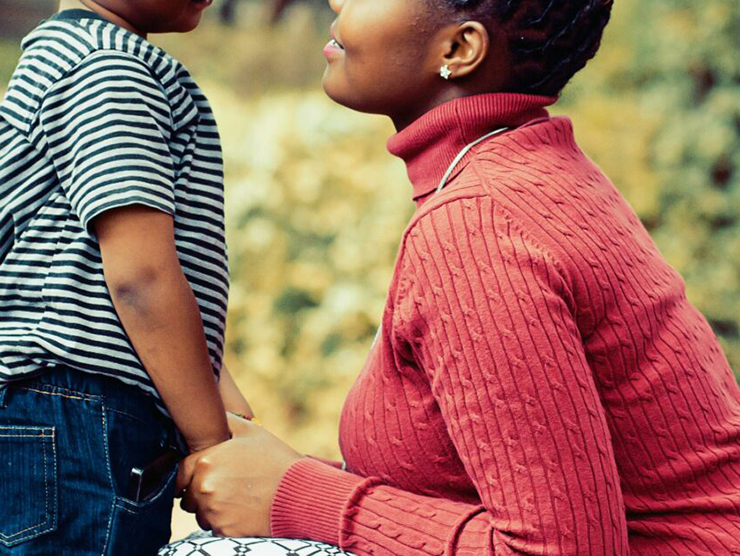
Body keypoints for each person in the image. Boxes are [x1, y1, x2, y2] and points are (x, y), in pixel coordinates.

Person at [167, 0, 740, 554]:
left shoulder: (480, 225)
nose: (337, 1)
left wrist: (297, 494)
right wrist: (287, 477)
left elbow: (562, 549)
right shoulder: (532, 173)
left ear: (461, 48)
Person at [0, 0, 253, 553]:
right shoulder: (107, 67)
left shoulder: (72, 58)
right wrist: (211, 441)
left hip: (64, 412)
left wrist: (217, 391)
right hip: (77, 415)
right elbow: (139, 277)